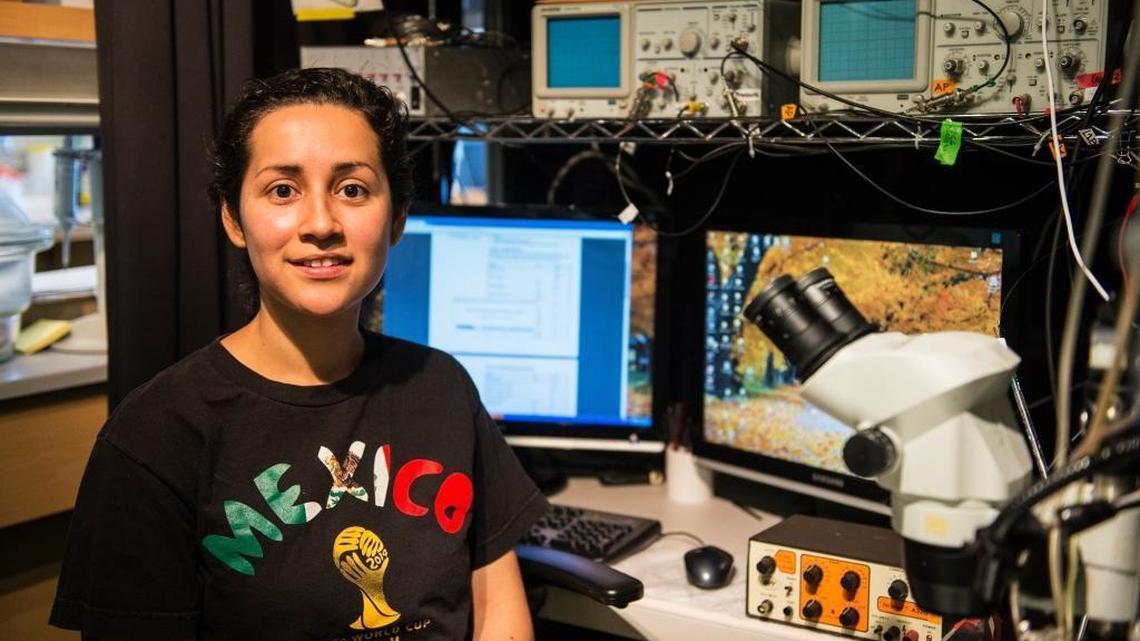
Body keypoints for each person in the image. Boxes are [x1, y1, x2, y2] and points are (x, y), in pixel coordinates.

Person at [50, 67, 548, 641]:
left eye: (353, 189)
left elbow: (497, 604)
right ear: (233, 218)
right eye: (283, 190)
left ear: (397, 219)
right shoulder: (156, 435)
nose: (320, 224)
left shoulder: (442, 387)